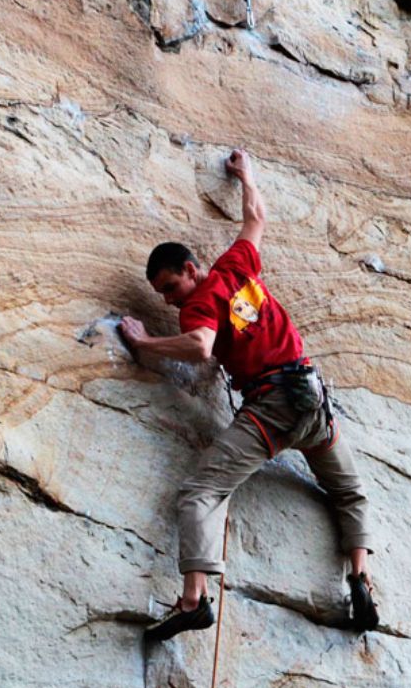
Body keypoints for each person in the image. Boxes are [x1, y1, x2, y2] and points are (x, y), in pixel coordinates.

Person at [119, 149, 378, 640]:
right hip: (312, 402)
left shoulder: (198, 304)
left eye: (171, 287)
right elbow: (256, 217)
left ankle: (193, 599)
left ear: (191, 269)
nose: (170, 300)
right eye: (162, 296)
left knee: (201, 492)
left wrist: (143, 342)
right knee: (349, 492)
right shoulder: (235, 266)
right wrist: (246, 175)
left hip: (272, 410)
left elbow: (200, 346)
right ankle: (360, 578)